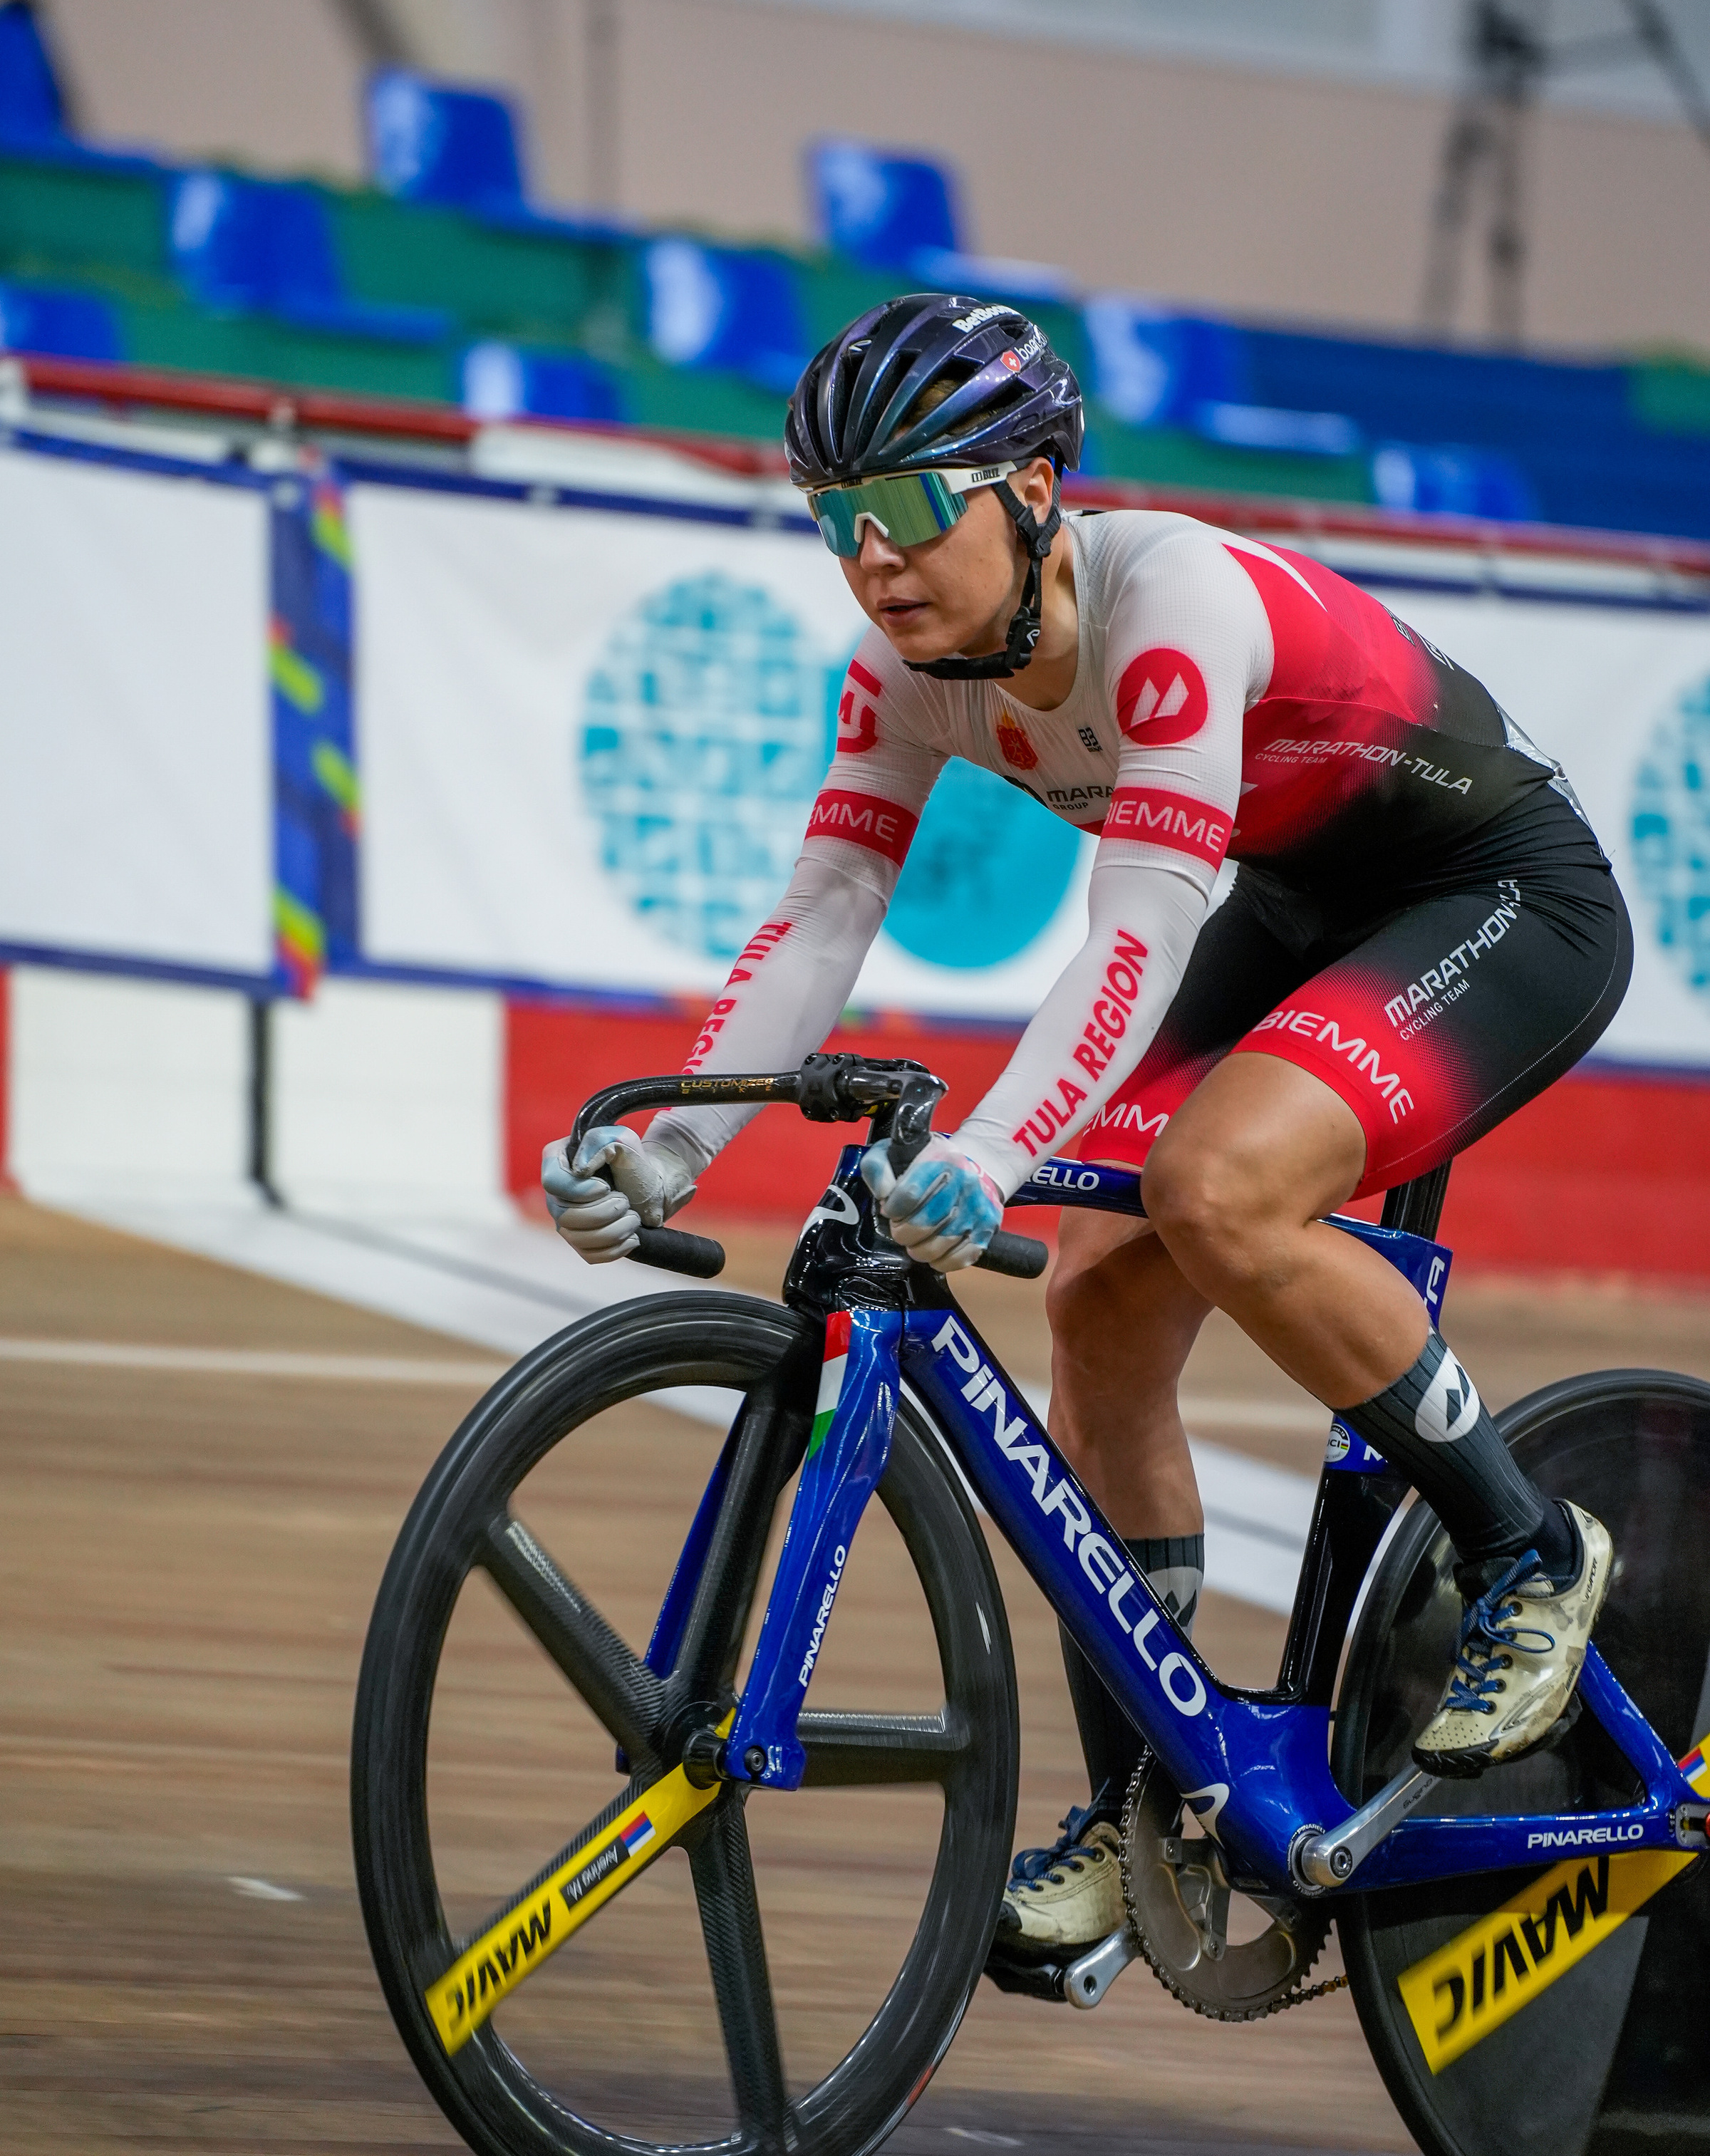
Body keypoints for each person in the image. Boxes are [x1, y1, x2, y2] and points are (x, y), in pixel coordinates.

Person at [543, 294, 1631, 1983]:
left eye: (907, 506)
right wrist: (671, 1148)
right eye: (836, 520)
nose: (871, 559)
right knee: (1097, 1303)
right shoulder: (902, 672)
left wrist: (986, 1146)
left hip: (1488, 897)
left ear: (1036, 488)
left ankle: (1527, 1546)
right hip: (1286, 903)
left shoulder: (1169, 600)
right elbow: (829, 901)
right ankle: (1149, 1814)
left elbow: (1135, 920)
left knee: (1211, 1189)